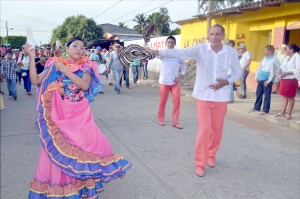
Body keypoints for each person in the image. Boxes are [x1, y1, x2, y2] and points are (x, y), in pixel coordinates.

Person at [25, 36, 131, 199]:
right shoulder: (54, 63)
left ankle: (78, 190)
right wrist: (32, 58)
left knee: (92, 149)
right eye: (75, 46)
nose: (79, 49)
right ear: (67, 48)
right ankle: (60, 190)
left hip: (79, 119)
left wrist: (65, 70)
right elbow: (35, 80)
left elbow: (84, 85)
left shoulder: (86, 66)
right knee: (56, 153)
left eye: (82, 47)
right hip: (58, 118)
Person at [146, 24, 242, 177]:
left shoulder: (230, 52)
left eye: (218, 34)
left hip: (221, 97)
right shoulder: (200, 49)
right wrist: (155, 51)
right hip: (203, 96)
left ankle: (211, 155)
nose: (214, 37)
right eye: (212, 34)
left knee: (217, 129)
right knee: (204, 129)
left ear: (223, 36)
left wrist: (227, 81)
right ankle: (200, 163)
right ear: (208, 36)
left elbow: (238, 72)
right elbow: (179, 52)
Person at [156, 35, 186, 129]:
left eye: (172, 42)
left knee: (177, 101)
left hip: (174, 82)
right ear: (166, 43)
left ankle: (175, 121)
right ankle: (161, 119)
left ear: (175, 44)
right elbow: (151, 52)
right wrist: (146, 42)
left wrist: (181, 76)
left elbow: (184, 65)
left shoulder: (178, 54)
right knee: (162, 101)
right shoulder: (163, 53)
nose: (170, 44)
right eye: (168, 42)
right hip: (164, 81)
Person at [251, 45, 280, 114]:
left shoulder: (275, 59)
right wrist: (256, 76)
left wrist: (269, 80)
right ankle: (257, 107)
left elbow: (275, 71)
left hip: (267, 79)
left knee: (266, 95)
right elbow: (260, 67)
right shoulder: (265, 58)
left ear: (269, 51)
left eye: (265, 50)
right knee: (259, 93)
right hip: (261, 78)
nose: (264, 52)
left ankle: (265, 109)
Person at [276, 44, 300, 120]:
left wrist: (286, 73)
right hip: (284, 79)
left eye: (287, 49)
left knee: (291, 97)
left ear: (291, 50)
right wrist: (280, 71)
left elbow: (298, 70)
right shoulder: (286, 57)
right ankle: (282, 112)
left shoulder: (297, 57)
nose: (285, 51)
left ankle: (289, 113)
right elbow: (282, 66)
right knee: (284, 96)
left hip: (291, 79)